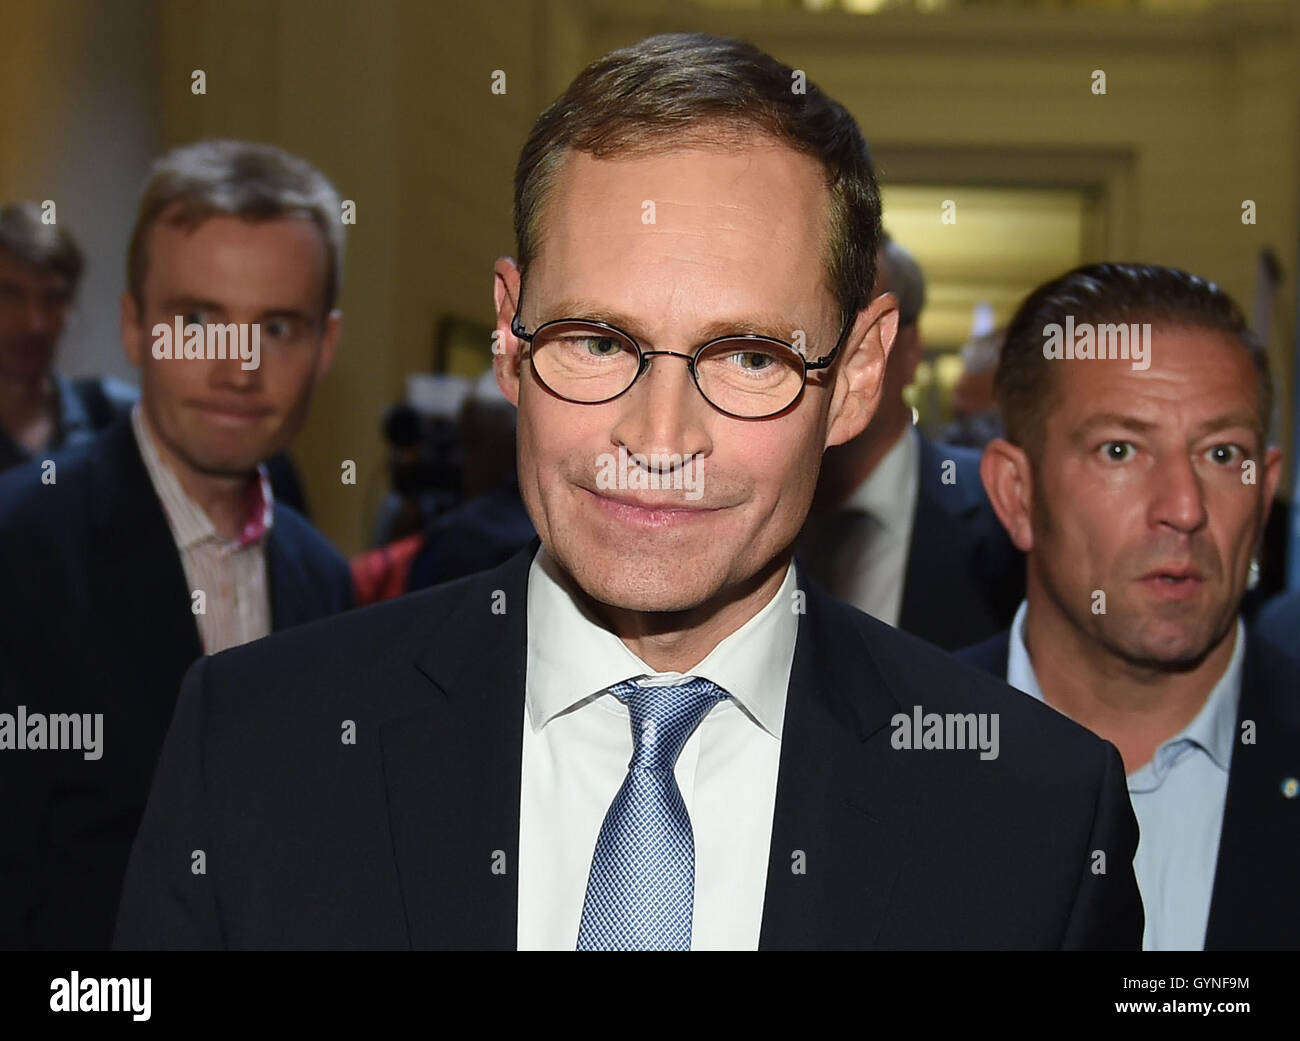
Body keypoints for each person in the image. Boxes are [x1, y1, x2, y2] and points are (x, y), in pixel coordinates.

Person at [116, 34, 1140, 951]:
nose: (658, 439)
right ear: (510, 338)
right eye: (597, 342)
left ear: (860, 378)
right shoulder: (258, 749)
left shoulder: (1033, 818)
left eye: (746, 357)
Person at [0, 140, 354, 950]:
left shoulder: (319, 577)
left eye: (278, 327)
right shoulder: (19, 550)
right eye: (198, 322)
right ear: (134, 326)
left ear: (325, 347)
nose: (238, 367)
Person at [958, 262, 1300, 950]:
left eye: (1221, 452)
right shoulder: (872, 761)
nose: (1184, 507)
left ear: (1264, 495)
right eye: (1120, 449)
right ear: (1017, 495)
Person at [798, 237, 1022, 650]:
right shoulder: (734, 505)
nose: (828, 353)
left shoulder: (1003, 517)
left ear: (910, 348)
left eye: (858, 329)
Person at [0, 201, 136, 472]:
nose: (33, 323)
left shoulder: (116, 418)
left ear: (71, 306)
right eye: (10, 295)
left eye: (52, 298)